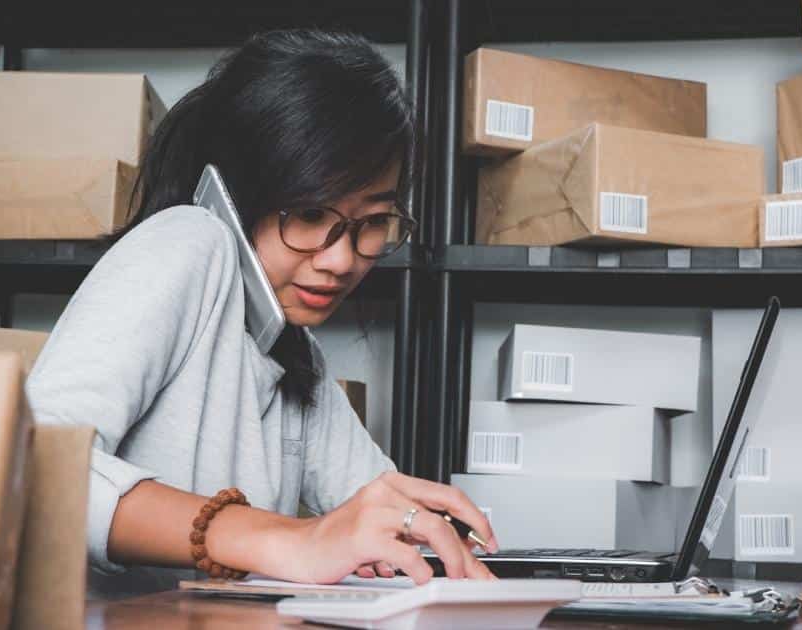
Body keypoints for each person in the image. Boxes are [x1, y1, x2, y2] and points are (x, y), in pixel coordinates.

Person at [27, 28, 497, 597]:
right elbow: (38, 468)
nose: (341, 259)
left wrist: (435, 539)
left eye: (372, 222)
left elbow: (369, 507)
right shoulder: (188, 240)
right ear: (238, 195)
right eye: (305, 214)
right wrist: (290, 540)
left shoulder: (295, 347)